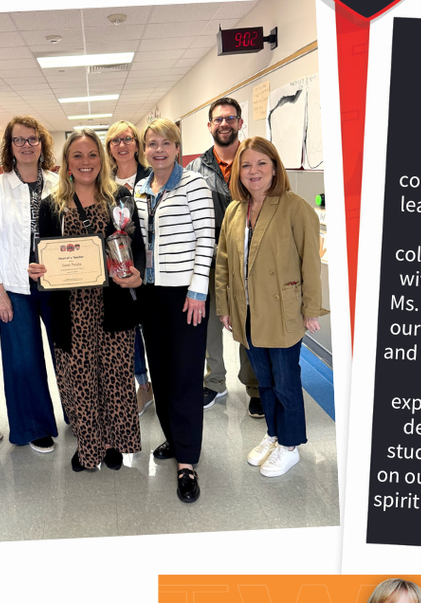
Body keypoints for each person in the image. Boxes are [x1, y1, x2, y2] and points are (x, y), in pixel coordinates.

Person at [29, 129, 144, 472]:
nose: (86, 162)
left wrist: (136, 272)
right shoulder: (52, 206)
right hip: (71, 310)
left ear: (102, 159)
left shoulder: (120, 198)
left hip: (114, 305)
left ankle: (112, 442)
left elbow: (135, 245)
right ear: (66, 162)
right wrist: (37, 269)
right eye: (77, 156)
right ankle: (88, 444)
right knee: (79, 378)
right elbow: (43, 250)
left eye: (92, 154)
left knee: (115, 376)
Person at [215, 137, 326, 478]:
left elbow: (310, 261)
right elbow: (223, 262)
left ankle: (290, 445)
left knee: (285, 381)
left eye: (262, 163)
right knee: (263, 382)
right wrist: (225, 305)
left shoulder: (294, 207)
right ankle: (274, 434)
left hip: (282, 311)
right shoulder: (235, 210)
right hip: (248, 312)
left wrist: (310, 308)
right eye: (246, 165)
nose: (254, 171)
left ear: (275, 167)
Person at [133, 118, 215, 503]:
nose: (159, 150)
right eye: (152, 144)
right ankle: (173, 436)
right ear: (144, 149)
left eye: (166, 143)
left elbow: (206, 239)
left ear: (177, 147)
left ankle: (187, 461)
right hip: (150, 294)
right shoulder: (138, 189)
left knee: (183, 375)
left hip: (185, 295)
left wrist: (198, 291)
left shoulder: (194, 184)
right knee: (162, 374)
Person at [0, 115, 60, 452]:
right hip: (14, 289)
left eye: (32, 139)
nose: (26, 145)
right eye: (19, 140)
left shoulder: (59, 182)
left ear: (42, 143)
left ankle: (79, 414)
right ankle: (33, 426)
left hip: (57, 287)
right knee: (23, 360)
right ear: (9, 147)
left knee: (68, 354)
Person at [185, 97, 262, 416]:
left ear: (240, 122)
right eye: (218, 120)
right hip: (208, 260)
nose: (224, 124)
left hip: (249, 259)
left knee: (250, 324)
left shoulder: (256, 159)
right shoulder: (194, 168)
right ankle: (214, 380)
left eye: (230, 118)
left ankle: (256, 386)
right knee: (209, 326)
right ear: (209, 126)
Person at [106, 119, 153, 416]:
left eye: (127, 139)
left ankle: (161, 381)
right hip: (120, 270)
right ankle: (143, 385)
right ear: (109, 148)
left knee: (154, 327)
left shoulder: (153, 178)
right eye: (115, 141)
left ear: (137, 144)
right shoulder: (102, 184)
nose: (122, 145)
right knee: (131, 331)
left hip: (154, 268)